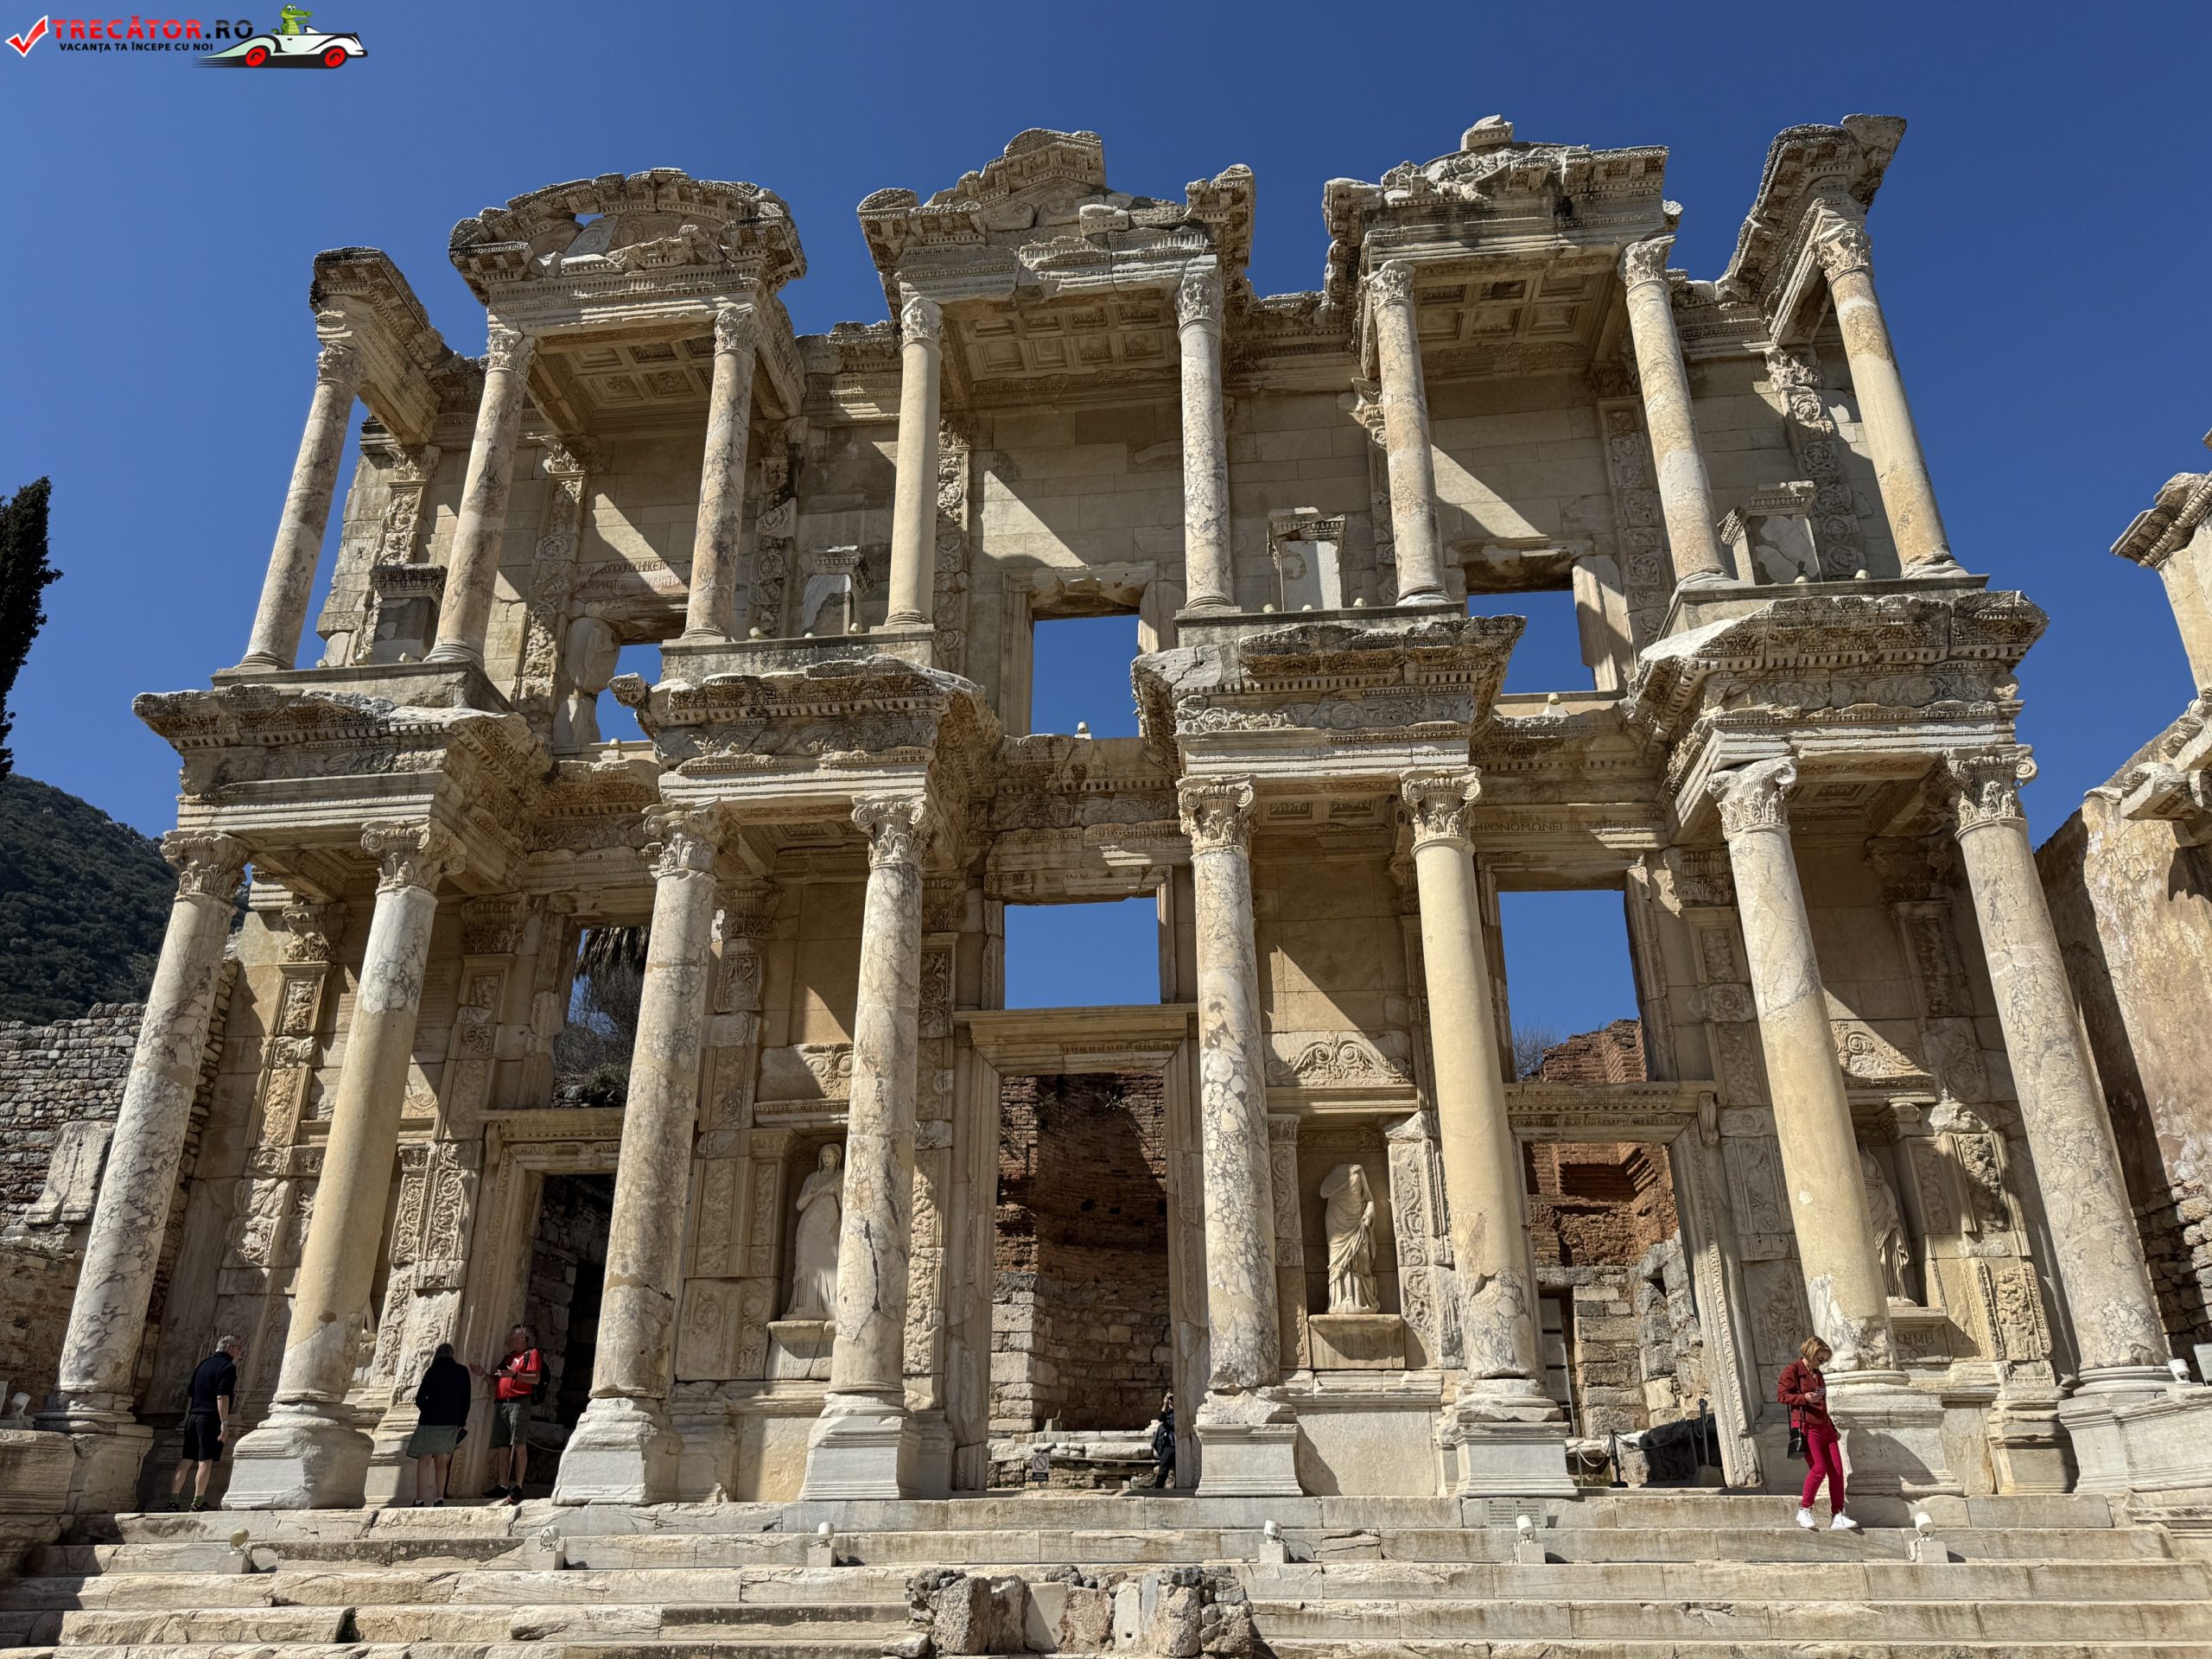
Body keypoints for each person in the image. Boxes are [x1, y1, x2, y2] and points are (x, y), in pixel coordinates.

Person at [1778, 1336, 1856, 1530]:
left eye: (1823, 1360)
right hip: (1807, 1426)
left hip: (1825, 1427)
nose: (1821, 1363)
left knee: (1837, 1472)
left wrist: (1832, 1428)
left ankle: (1838, 1515)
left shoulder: (1817, 1374)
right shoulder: (1793, 1370)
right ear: (1810, 1353)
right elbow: (1782, 1396)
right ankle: (1804, 1509)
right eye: (1819, 1358)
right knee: (1818, 1469)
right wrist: (1804, 1398)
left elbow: (1822, 1405)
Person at [169, 1335, 241, 1511]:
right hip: (209, 1419)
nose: (240, 1352)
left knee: (186, 1460)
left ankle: (173, 1501)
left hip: (193, 1417)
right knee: (205, 1461)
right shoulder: (228, 1367)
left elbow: (191, 1391)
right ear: (229, 1348)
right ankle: (198, 1502)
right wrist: (224, 1423)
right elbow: (222, 1396)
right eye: (238, 1348)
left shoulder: (203, 1365)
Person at [404, 1344, 473, 1507]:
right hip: (450, 1422)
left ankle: (420, 1500)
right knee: (442, 1460)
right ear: (452, 1354)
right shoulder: (462, 1371)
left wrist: (428, 1410)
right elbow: (466, 1400)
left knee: (424, 1460)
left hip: (429, 1421)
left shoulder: (433, 1371)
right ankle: (439, 1498)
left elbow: (420, 1398)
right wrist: (461, 1422)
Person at [480, 1325, 543, 1503]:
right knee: (502, 1446)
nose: (508, 1341)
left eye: (512, 1338)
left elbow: (535, 1379)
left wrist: (514, 1375)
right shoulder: (509, 1357)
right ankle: (503, 1484)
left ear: (522, 1337)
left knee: (519, 1443)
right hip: (501, 1403)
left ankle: (518, 1486)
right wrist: (483, 1374)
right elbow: (496, 1380)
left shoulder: (531, 1354)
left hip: (519, 1402)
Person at [1149, 1391, 1176, 1490]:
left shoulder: (1181, 1412)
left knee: (1179, 1471)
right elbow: (1160, 1418)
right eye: (1170, 1399)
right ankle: (1158, 1490)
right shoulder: (1167, 1412)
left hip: (1178, 1445)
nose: (1171, 1401)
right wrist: (1165, 1403)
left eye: (1173, 1398)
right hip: (1168, 1446)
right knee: (1163, 1471)